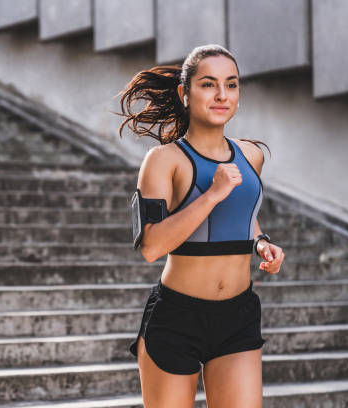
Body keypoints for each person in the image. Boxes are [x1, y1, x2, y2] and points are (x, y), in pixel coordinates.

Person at [113, 44, 285, 408]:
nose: (222, 95)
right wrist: (211, 195)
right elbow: (151, 247)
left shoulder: (251, 154)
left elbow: (244, 217)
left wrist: (261, 243)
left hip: (238, 316)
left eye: (232, 84)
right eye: (209, 84)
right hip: (177, 318)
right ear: (184, 93)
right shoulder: (163, 160)